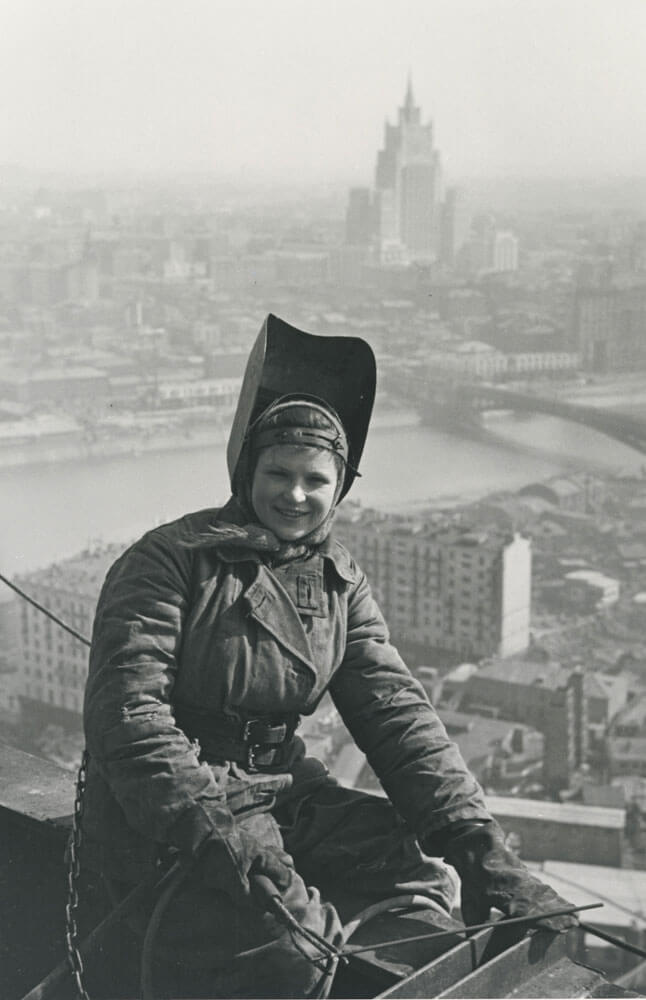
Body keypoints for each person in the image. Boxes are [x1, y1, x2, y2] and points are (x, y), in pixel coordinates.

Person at [82, 315, 576, 999]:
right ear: (246, 469)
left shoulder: (337, 580)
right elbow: (128, 716)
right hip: (175, 805)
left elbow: (397, 713)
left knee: (413, 874)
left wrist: (479, 843)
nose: (295, 494)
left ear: (338, 487)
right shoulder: (170, 562)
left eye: (315, 479)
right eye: (278, 472)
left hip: (281, 787)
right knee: (292, 948)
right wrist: (217, 828)